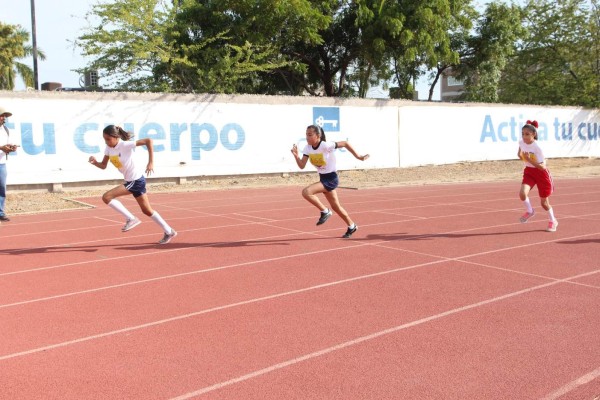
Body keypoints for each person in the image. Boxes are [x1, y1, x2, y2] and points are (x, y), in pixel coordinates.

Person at [88, 125, 177, 244]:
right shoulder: (108, 148)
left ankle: (131, 218)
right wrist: (94, 163)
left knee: (107, 197)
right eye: (104, 139)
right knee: (147, 211)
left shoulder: (125, 145)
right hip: (132, 181)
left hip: (135, 181)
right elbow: (103, 166)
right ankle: (169, 231)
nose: (106, 142)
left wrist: (150, 162)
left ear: (116, 137)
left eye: (108, 139)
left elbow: (148, 141)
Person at [291, 124, 369, 238]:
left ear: (318, 135)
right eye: (306, 135)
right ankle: (352, 226)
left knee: (306, 192)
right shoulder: (307, 148)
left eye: (310, 135)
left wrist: (359, 157)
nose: (307, 137)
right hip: (323, 178)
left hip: (331, 179)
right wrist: (296, 156)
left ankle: (325, 211)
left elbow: (345, 143)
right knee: (336, 207)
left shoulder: (326, 145)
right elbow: (302, 165)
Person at [517, 120, 558, 232]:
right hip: (529, 171)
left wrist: (530, 159)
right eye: (523, 134)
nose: (524, 136)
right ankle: (530, 211)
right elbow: (519, 155)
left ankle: (553, 220)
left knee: (544, 203)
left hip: (541, 174)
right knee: (522, 194)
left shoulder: (538, 147)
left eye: (527, 134)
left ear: (533, 134)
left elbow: (542, 167)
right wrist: (524, 158)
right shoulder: (521, 142)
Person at [0, 107, 19, 222]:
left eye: (5, 116)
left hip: (2, 163)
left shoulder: (6, 130)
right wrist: (1, 147)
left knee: (2, 189)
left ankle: (0, 213)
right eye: (2, 115)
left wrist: (12, 147)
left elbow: (7, 144)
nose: (4, 118)